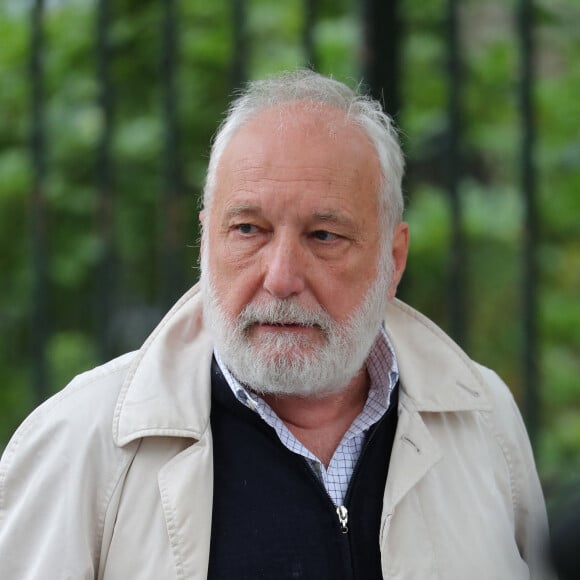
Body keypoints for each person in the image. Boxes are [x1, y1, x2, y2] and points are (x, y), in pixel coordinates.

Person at [0, 70, 554, 579]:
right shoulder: (83, 442)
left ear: (394, 259)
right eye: (248, 229)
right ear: (206, 240)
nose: (282, 277)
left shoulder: (483, 418)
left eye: (323, 236)